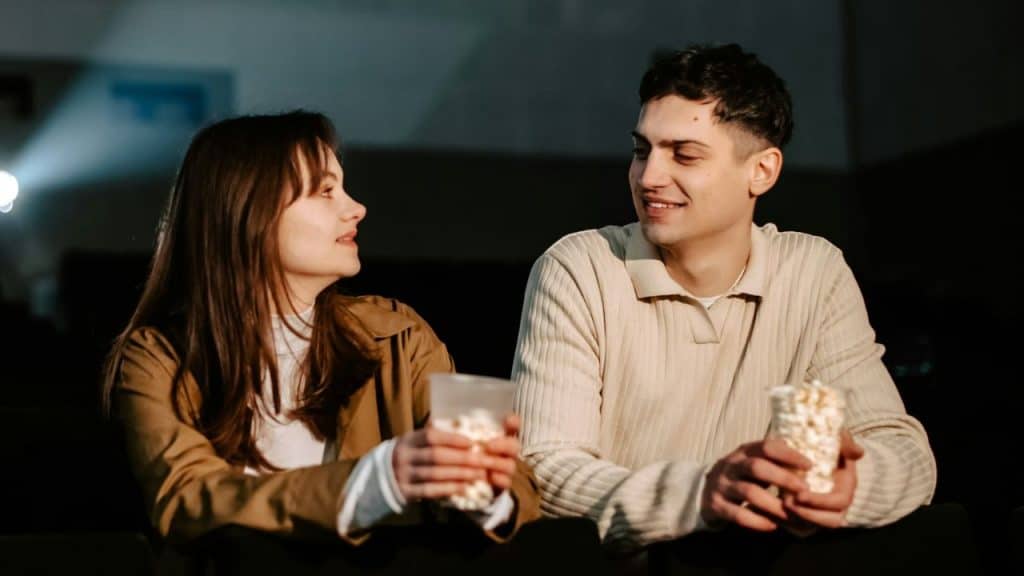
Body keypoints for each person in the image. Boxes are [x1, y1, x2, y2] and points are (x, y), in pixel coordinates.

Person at [511, 44, 937, 554]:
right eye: (642, 149)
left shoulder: (812, 273)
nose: (648, 177)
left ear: (762, 171)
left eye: (684, 154)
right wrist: (701, 495)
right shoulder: (579, 269)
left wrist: (851, 487)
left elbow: (905, 454)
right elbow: (542, 469)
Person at [102, 111, 541, 557]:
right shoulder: (159, 358)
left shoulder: (397, 336)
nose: (356, 207)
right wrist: (379, 479)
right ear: (248, 213)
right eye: (325, 190)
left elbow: (519, 489)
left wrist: (483, 486)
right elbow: (188, 502)